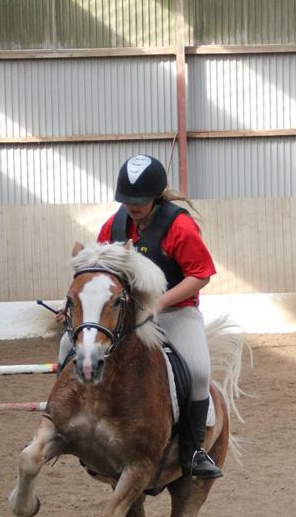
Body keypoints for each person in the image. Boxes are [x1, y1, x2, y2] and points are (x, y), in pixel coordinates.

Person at [60, 154, 223, 480]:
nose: (133, 206)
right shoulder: (116, 224)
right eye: (128, 200)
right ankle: (63, 421)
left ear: (156, 196)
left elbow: (201, 274)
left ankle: (193, 451)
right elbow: (98, 269)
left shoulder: (179, 226)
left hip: (176, 311)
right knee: (69, 343)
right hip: (127, 313)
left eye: (140, 200)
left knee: (199, 370)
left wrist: (160, 304)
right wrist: (76, 310)